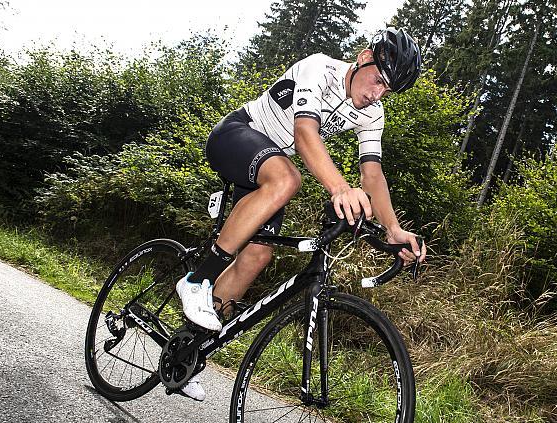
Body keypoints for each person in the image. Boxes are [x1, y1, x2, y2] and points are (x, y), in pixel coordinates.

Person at [175, 27, 427, 400]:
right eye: (377, 80)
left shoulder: (373, 113)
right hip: (236, 135)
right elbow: (306, 133)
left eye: (387, 90)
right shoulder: (319, 69)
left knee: (259, 253)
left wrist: (393, 229)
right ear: (363, 57)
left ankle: (186, 352)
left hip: (267, 168)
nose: (376, 94)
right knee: (288, 179)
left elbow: (372, 173)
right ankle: (197, 280)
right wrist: (339, 188)